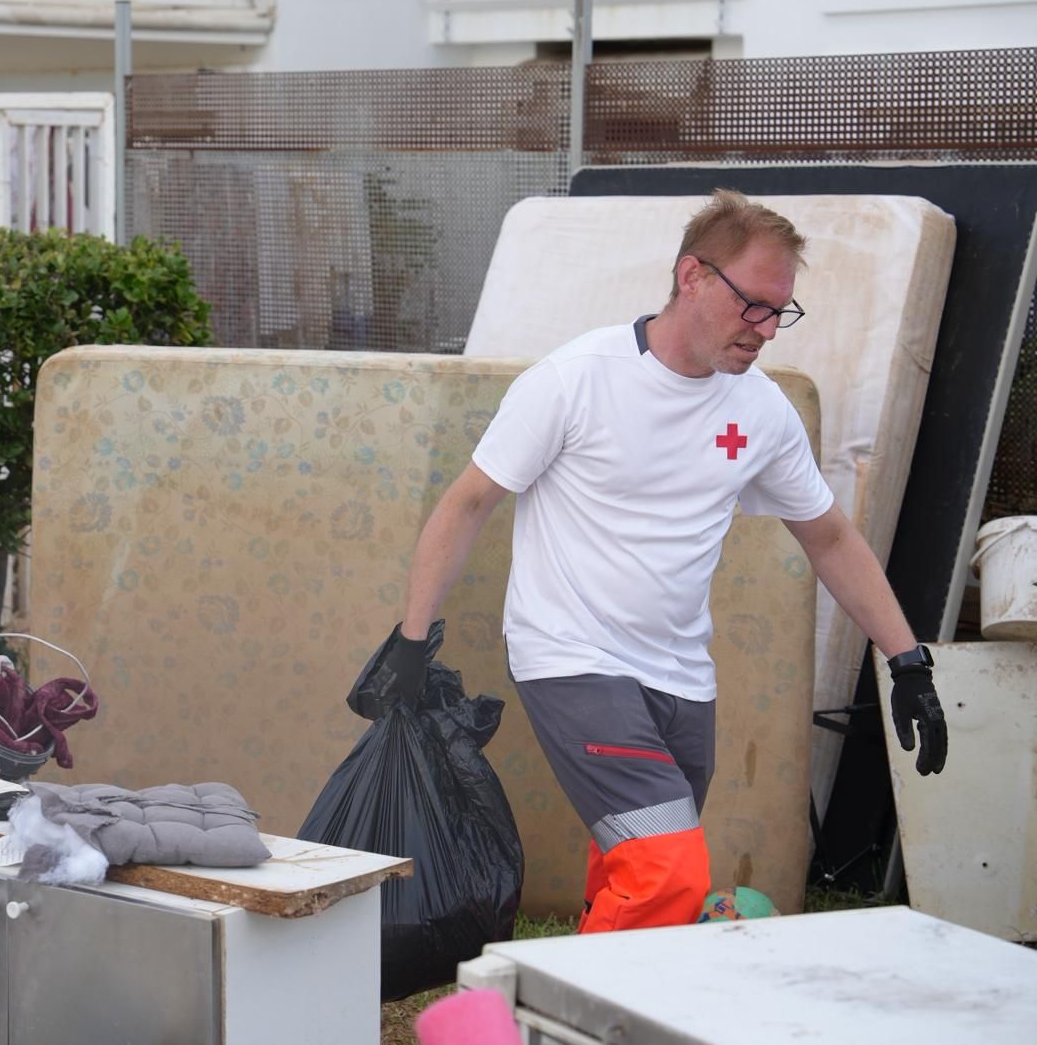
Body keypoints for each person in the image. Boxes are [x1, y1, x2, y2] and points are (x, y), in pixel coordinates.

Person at [385, 188, 948, 934]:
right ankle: (548, 1001)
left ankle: (595, 984)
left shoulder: (760, 411)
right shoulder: (576, 379)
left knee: (633, 873)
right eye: (754, 305)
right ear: (692, 277)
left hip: (682, 676)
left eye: (781, 312)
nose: (766, 329)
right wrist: (412, 639)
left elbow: (830, 538)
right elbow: (468, 503)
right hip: (572, 658)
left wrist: (907, 662)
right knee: (667, 872)